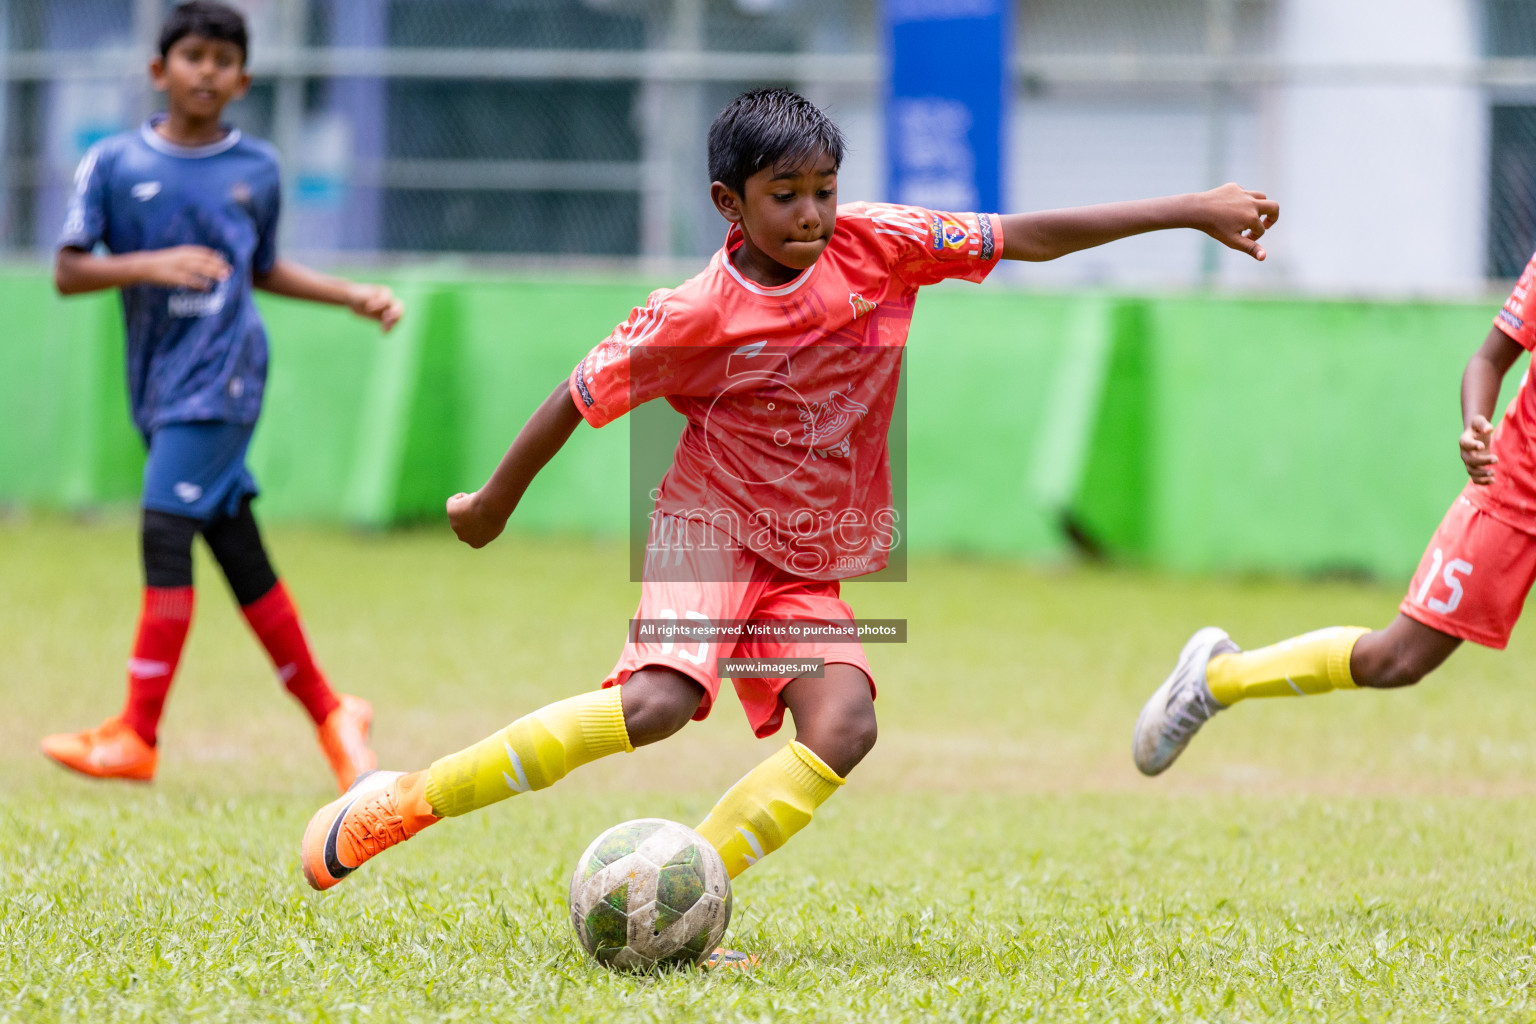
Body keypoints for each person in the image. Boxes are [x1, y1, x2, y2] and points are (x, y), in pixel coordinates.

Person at [300, 88, 1276, 942]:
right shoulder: (693, 313)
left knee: (845, 724)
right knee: (658, 706)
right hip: (706, 529)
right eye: (785, 195)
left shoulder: (881, 243)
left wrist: (1190, 210)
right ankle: (405, 803)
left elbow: (1022, 234)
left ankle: (682, 892)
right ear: (730, 203)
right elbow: (576, 393)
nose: (812, 213)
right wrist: (490, 504)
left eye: (824, 189)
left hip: (805, 558)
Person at [39, 0, 404, 793]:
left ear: (242, 79)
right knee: (239, 555)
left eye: (222, 59)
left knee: (165, 533)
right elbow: (69, 271)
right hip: (159, 381)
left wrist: (350, 294)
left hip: (225, 377)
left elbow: (261, 269)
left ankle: (137, 733)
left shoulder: (258, 169)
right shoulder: (112, 164)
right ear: (158, 69)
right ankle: (336, 714)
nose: (205, 70)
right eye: (192, 55)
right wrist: (150, 264)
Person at [1133, 251, 1536, 777]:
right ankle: (1217, 678)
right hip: (1514, 491)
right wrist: (1474, 425)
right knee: (1397, 659)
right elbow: (1488, 360)